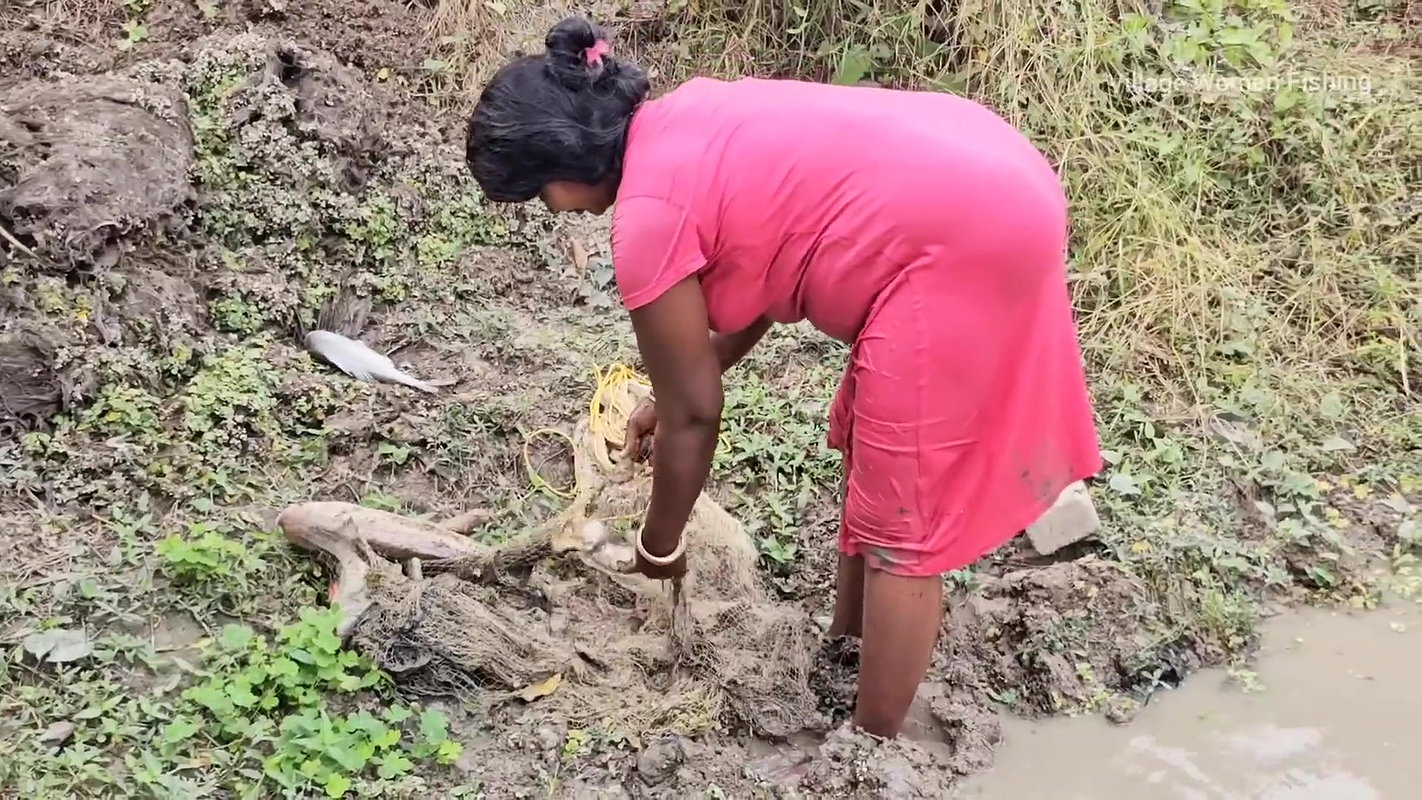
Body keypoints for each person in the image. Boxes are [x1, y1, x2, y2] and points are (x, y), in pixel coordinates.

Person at [465, 16, 1103, 739]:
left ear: (561, 164)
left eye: (538, 195)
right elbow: (761, 275)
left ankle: (871, 749)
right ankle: (849, 644)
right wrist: (662, 398)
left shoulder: (645, 219)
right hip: (982, 164)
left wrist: (660, 544)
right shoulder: (686, 118)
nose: (551, 211)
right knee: (878, 452)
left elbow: (699, 414)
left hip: (964, 235)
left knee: (904, 523)